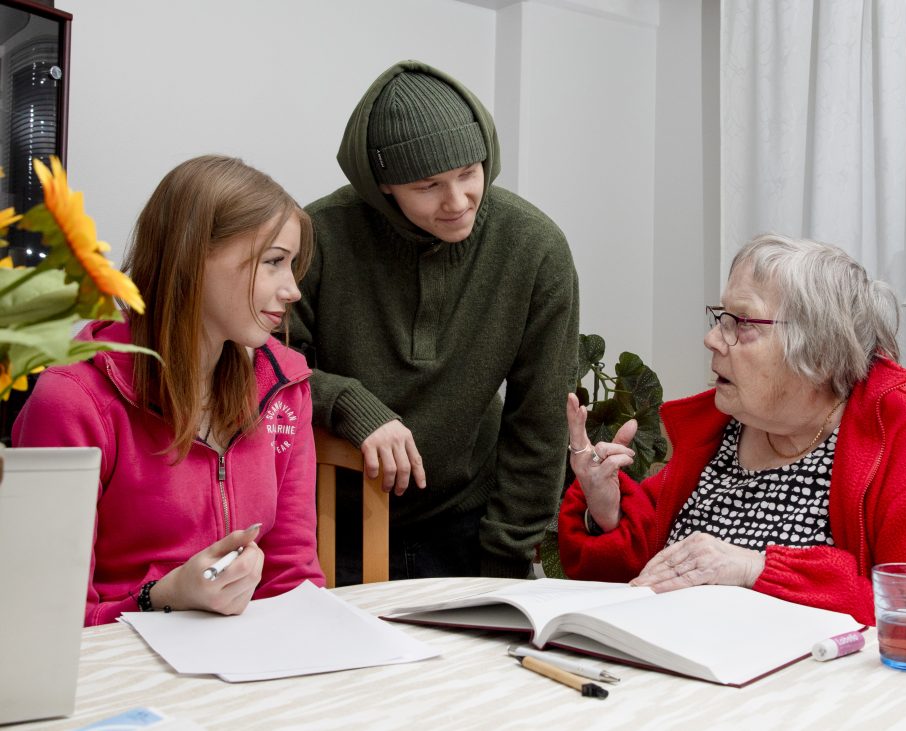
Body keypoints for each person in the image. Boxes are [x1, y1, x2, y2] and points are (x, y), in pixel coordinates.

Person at [559, 234, 906, 649]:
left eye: (741, 323)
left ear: (819, 349)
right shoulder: (722, 430)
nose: (712, 338)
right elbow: (642, 581)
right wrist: (607, 508)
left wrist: (757, 568)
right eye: (720, 318)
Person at [293, 60, 579, 583]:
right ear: (381, 185)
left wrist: (507, 556)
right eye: (428, 186)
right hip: (330, 526)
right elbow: (257, 367)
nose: (457, 202)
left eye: (470, 173)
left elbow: (538, 420)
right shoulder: (317, 237)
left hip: (470, 528)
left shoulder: (535, 248)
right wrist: (347, 401)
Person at [13, 155, 325, 625]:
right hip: (115, 670)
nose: (293, 289)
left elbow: (292, 578)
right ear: (194, 257)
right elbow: (41, 621)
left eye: (292, 265)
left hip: (245, 666)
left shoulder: (285, 387)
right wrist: (163, 596)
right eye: (274, 263)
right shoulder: (74, 398)